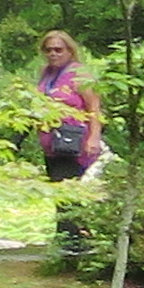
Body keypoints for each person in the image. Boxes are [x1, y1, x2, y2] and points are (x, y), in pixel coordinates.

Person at [32, 31, 105, 180]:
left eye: (58, 50)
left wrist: (94, 138)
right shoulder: (46, 73)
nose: (53, 54)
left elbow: (94, 108)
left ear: (70, 51)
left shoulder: (80, 75)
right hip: (51, 144)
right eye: (48, 50)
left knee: (68, 190)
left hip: (74, 143)